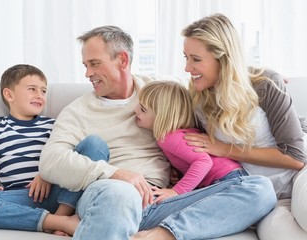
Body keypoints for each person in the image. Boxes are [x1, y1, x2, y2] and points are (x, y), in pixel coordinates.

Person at [39, 25, 276, 240]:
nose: (87, 73)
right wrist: (115, 173)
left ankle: (162, 234)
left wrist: (264, 78)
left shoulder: (160, 91)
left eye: (94, 63)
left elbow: (216, 75)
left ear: (122, 60)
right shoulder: (78, 110)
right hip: (112, 192)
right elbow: (50, 160)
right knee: (121, 194)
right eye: (85, 65)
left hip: (160, 203)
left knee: (261, 189)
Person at [180, 13, 307, 238]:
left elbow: (296, 157)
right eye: (185, 57)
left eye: (196, 59)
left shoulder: (265, 84)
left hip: (299, 176)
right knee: (279, 234)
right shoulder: (198, 99)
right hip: (261, 195)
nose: (187, 68)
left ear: (224, 58)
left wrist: (224, 148)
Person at [0, 64, 110, 236]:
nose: (40, 95)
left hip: (61, 191)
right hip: (22, 198)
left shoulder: (53, 124)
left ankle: (63, 214)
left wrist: (46, 174)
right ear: (9, 94)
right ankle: (59, 223)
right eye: (32, 89)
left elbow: (75, 155)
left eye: (43, 91)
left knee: (96, 144)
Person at [135, 80, 246, 203]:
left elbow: (204, 161)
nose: (135, 110)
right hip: (232, 175)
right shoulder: (178, 134)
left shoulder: (168, 138)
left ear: (162, 117)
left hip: (226, 179)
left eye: (143, 109)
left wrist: (177, 191)